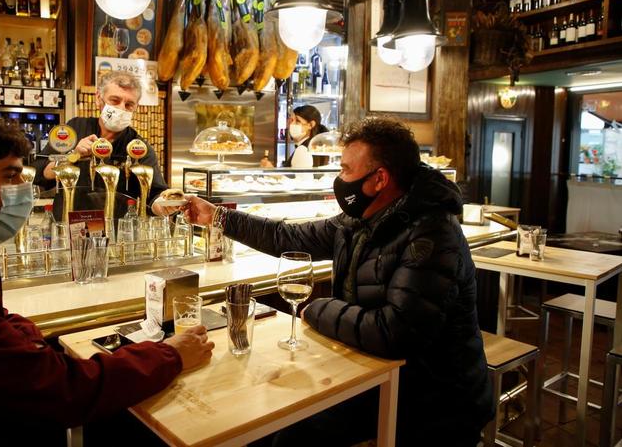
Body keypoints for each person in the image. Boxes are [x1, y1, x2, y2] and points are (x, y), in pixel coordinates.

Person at [0, 103, 214, 445]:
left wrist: (21, 338)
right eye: (9, 176)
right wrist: (172, 355)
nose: (22, 191)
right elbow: (61, 392)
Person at [184, 117, 494, 446]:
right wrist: (217, 216)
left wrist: (319, 309)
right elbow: (287, 236)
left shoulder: (432, 235)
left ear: (380, 179)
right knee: (266, 423)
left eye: (346, 169)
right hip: (377, 372)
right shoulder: (359, 219)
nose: (339, 179)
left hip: (434, 401)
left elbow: (396, 332)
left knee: (288, 437)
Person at [33, 71, 176, 220]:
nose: (121, 108)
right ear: (98, 99)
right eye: (114, 100)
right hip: (69, 226)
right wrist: (73, 155)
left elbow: (155, 193)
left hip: (116, 233)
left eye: (129, 104)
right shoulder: (74, 128)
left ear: (136, 107)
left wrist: (167, 204)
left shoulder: (138, 147)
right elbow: (39, 172)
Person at [261, 105, 329, 168]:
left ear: (311, 125)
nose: (291, 124)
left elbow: (301, 180)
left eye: (297, 121)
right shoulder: (313, 146)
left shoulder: (303, 149)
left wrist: (272, 171)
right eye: (291, 120)